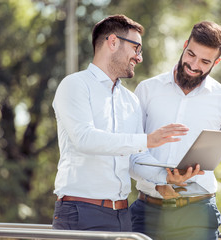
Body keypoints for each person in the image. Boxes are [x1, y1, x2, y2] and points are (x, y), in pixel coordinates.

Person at [129, 21, 221, 239]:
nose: (193, 65)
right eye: (191, 54)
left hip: (198, 214)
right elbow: (132, 152)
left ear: (216, 62)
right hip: (147, 212)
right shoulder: (147, 90)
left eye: (204, 61)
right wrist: (162, 179)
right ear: (185, 45)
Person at [51, 14, 194, 232]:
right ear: (113, 42)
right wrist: (147, 140)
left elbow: (135, 158)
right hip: (80, 213)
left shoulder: (130, 100)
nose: (139, 57)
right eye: (136, 48)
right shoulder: (74, 85)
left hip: (123, 217)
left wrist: (166, 176)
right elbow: (85, 139)